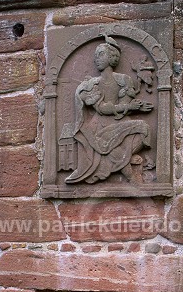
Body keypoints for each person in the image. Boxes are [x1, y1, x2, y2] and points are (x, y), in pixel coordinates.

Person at [65, 36, 154, 184]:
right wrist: (128, 107)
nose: (96, 59)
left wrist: (136, 108)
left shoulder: (124, 80)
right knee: (106, 145)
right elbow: (101, 109)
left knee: (144, 129)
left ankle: (122, 156)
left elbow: (124, 104)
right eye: (95, 56)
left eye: (101, 54)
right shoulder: (92, 84)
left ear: (112, 57)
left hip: (119, 121)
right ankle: (130, 174)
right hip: (99, 125)